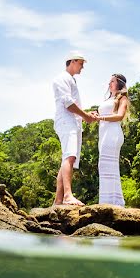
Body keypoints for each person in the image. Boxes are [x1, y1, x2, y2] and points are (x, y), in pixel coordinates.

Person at [52, 52, 97, 206]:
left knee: (68, 158)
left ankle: (58, 200)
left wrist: (85, 115)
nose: (83, 67)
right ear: (72, 61)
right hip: (66, 121)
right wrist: (85, 116)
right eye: (81, 63)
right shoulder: (62, 78)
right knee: (70, 156)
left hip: (72, 122)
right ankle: (67, 196)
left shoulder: (71, 80)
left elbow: (73, 104)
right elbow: (68, 103)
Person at [94, 73, 130, 206]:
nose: (109, 84)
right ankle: (105, 200)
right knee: (103, 166)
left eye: (112, 81)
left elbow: (119, 116)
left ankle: (115, 201)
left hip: (113, 135)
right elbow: (104, 115)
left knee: (110, 167)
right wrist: (97, 115)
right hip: (104, 134)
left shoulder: (123, 98)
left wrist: (101, 118)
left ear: (119, 84)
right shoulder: (109, 99)